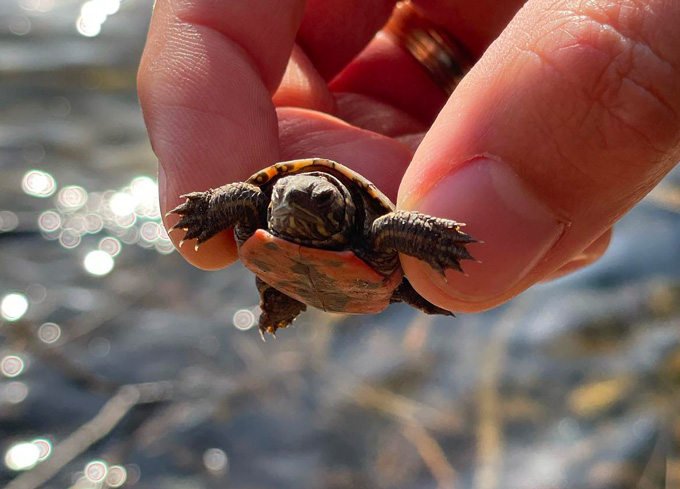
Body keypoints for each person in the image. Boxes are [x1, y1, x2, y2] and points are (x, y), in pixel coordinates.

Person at [137, 0, 680, 314]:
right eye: (288, 196)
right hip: (298, 275)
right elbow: (250, 196)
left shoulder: (374, 231)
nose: (296, 196)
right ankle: (280, 301)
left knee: (418, 280)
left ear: (344, 208)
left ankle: (286, 300)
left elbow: (392, 230)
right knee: (404, 279)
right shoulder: (268, 201)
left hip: (357, 270)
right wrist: (209, 207)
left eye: (315, 197)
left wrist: (442, 236)